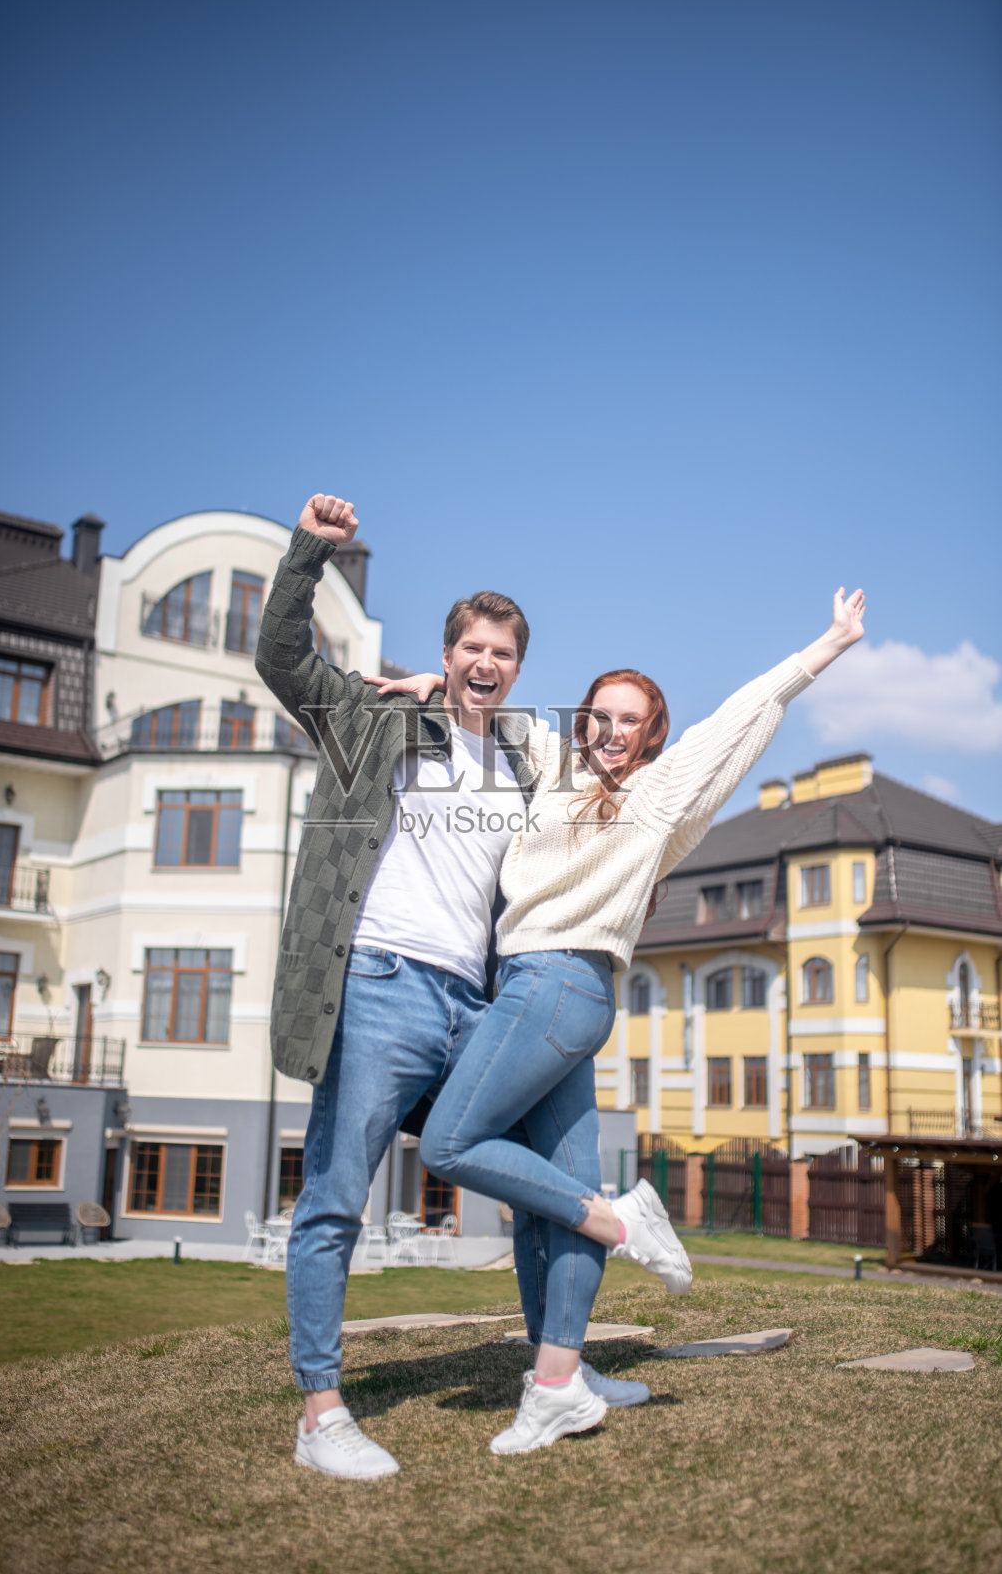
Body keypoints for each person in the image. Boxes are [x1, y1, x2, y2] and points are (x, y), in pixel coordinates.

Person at [377, 583, 866, 1454]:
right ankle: (561, 1378)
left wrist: (825, 647)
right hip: (543, 994)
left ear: (650, 735)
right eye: (599, 715)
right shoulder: (550, 765)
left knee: (451, 1144)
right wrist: (427, 682)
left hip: (557, 988)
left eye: (629, 720)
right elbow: (484, 705)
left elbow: (740, 717)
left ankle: (620, 1219)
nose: (610, 729)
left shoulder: (660, 794)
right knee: (552, 1202)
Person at [254, 492, 649, 1483]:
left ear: (517, 668)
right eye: (470, 648)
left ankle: (554, 1372)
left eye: (502, 655)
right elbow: (280, 656)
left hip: (473, 1005)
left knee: (528, 1174)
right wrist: (309, 551)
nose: (484, 664)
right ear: (449, 650)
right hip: (380, 984)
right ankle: (320, 1410)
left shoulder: (521, 757)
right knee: (336, 1200)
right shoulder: (370, 717)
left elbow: (606, 782)